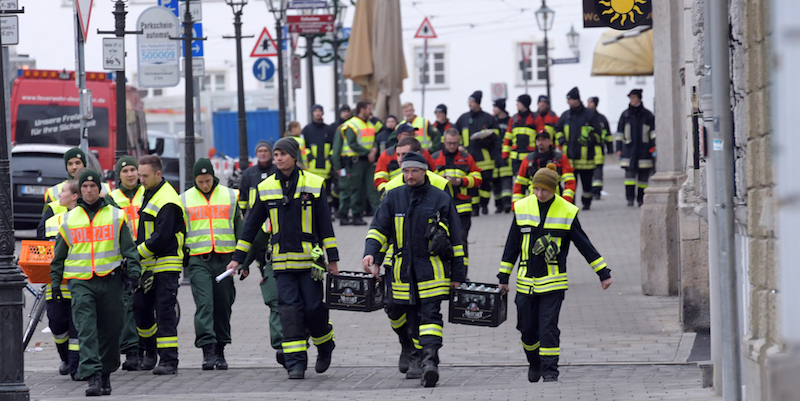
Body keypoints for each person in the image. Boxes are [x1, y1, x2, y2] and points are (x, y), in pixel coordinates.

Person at [226, 137, 339, 380]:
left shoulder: (315, 183)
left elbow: (325, 224)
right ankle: (296, 362)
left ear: (294, 156)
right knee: (289, 311)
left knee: (313, 308)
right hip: (281, 264)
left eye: (282, 154)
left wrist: (333, 259)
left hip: (310, 263)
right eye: (275, 154)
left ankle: (325, 344)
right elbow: (251, 227)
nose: (278, 158)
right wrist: (238, 258)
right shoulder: (266, 188)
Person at [498, 164, 612, 383]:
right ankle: (534, 361)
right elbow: (512, 245)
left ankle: (550, 371)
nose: (540, 194)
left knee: (548, 327)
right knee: (526, 329)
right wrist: (503, 277)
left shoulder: (567, 211)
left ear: (554, 189)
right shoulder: (522, 207)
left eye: (544, 190)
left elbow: (584, 244)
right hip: (525, 282)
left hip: (553, 283)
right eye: (536, 189)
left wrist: (603, 272)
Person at [362, 151, 466, 388]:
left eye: (414, 171)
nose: (409, 175)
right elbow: (379, 229)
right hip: (402, 273)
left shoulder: (440, 198)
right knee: (404, 316)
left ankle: (430, 363)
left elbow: (458, 241)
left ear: (424, 171)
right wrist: (371, 253)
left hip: (432, 272)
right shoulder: (393, 197)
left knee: (429, 316)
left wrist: (458, 276)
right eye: (405, 171)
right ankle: (414, 353)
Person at [50, 169, 141, 396]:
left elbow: (129, 249)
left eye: (92, 186)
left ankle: (106, 372)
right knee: (86, 329)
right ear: (79, 191)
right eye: (84, 187)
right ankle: (92, 375)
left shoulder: (116, 216)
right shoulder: (69, 219)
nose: (89, 191)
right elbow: (59, 256)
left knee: (111, 331)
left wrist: (134, 273)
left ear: (99, 189)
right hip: (81, 284)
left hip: (110, 281)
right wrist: (55, 284)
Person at [181, 159, 241, 371]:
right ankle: (207, 349)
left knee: (223, 305)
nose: (204, 185)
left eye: (207, 181)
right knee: (205, 304)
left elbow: (239, 227)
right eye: (200, 181)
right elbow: (180, 232)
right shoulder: (185, 199)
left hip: (225, 261)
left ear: (213, 177)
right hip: (199, 260)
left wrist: (242, 259)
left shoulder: (230, 195)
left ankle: (221, 350)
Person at [133, 155, 186, 375]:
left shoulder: (168, 200)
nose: (141, 180)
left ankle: (169, 360)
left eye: (145, 176)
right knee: (140, 309)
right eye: (140, 176)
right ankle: (150, 351)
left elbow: (160, 238)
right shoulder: (149, 192)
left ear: (158, 174)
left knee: (164, 312)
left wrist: (134, 254)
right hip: (148, 265)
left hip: (166, 264)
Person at [234, 140, 284, 365]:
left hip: (285, 243)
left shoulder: (278, 173)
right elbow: (243, 200)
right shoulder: (249, 174)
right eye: (261, 151)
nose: (263, 154)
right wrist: (242, 263)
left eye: (267, 151)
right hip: (259, 227)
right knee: (274, 297)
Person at [107, 156, 146, 371]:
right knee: (128, 305)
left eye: (133, 170)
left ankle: (148, 348)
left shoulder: (147, 193)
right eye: (125, 171)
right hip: (125, 258)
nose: (130, 174)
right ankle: (132, 351)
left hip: (149, 256)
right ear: (119, 175)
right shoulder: (113, 198)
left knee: (146, 306)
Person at [39, 179, 80, 378]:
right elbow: (42, 249)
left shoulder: (82, 219)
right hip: (55, 283)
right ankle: (65, 358)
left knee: (77, 328)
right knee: (56, 324)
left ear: (74, 196)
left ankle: (75, 366)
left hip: (78, 281)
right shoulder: (50, 222)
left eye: (62, 192)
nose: (58, 195)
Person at [430, 128, 482, 277]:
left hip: (462, 209)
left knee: (461, 242)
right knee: (441, 241)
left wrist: (461, 181)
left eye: (454, 143)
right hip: (441, 210)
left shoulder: (466, 157)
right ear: (444, 142)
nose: (452, 146)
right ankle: (445, 273)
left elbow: (478, 177)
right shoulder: (435, 158)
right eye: (449, 143)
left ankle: (462, 275)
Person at [554, 87, 603, 210]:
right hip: (569, 158)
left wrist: (590, 138)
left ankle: (587, 202)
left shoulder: (590, 115)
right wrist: (562, 141)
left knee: (587, 184)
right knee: (570, 184)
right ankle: (571, 204)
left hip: (586, 158)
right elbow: (557, 130)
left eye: (569, 100)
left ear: (576, 100)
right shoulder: (566, 116)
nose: (568, 102)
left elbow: (599, 133)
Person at [332, 99, 379, 226]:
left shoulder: (370, 124)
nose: (371, 111)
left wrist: (374, 149)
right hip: (354, 162)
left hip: (366, 162)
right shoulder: (351, 125)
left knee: (367, 188)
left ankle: (363, 214)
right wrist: (368, 152)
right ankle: (351, 215)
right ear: (362, 110)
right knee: (353, 189)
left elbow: (373, 140)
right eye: (369, 109)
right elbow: (352, 144)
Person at [454, 91, 501, 216]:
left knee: (486, 183)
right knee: (472, 184)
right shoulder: (463, 118)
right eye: (469, 102)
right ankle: (474, 207)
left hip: (485, 157)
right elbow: (454, 133)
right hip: (468, 157)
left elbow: (497, 137)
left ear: (478, 103)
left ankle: (484, 204)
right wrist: (459, 146)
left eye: (472, 102)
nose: (470, 104)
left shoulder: (488, 118)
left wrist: (487, 138)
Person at [504, 95, 558, 184]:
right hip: (516, 159)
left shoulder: (535, 118)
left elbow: (542, 136)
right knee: (520, 182)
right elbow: (508, 137)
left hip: (531, 157)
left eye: (519, 102)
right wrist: (505, 155)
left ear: (524, 104)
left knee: (533, 182)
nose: (516, 104)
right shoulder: (514, 119)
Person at [615, 88, 656, 207]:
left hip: (644, 151)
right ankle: (630, 198)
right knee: (629, 177)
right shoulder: (625, 115)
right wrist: (618, 148)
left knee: (643, 179)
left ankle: (641, 199)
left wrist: (654, 146)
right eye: (630, 98)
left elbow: (653, 132)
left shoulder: (647, 115)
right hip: (629, 150)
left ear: (639, 98)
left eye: (633, 97)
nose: (632, 100)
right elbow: (619, 134)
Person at [512, 132, 576, 205]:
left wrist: (566, 201)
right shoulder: (528, 159)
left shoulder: (560, 158)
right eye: (538, 140)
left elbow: (570, 181)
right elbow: (520, 184)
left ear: (550, 141)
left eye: (543, 140)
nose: (540, 142)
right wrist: (516, 205)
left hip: (556, 201)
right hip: (533, 202)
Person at [373, 123, 436, 193]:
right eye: (408, 135)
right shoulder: (387, 154)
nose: (412, 137)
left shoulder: (424, 152)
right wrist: (386, 192)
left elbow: (434, 174)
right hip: (395, 195)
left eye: (413, 134)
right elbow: (379, 178)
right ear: (399, 136)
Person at [44, 147, 110, 204]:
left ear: (84, 164)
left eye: (77, 163)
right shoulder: (54, 191)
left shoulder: (104, 188)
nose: (74, 167)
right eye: (70, 164)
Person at [326, 105, 352, 216]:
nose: (346, 113)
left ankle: (343, 210)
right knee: (338, 187)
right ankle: (338, 209)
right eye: (344, 111)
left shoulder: (352, 125)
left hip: (349, 161)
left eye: (347, 111)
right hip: (338, 161)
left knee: (347, 187)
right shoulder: (334, 127)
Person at [587, 97, 614, 200]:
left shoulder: (601, 119)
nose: (588, 104)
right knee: (588, 171)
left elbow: (608, 134)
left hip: (598, 149)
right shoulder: (585, 116)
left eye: (590, 102)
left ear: (595, 104)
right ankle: (590, 190)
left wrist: (610, 148)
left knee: (598, 171)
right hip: (587, 149)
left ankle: (597, 192)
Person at [492, 98, 513, 213]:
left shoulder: (510, 121)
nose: (493, 109)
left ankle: (506, 203)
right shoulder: (492, 121)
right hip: (494, 155)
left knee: (506, 180)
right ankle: (498, 205)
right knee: (495, 181)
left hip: (506, 155)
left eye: (495, 107)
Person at [303, 104, 332, 181]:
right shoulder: (307, 130)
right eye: (315, 111)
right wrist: (309, 156)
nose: (318, 113)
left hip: (326, 168)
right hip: (311, 168)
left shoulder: (329, 129)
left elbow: (333, 146)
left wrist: (330, 158)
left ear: (323, 113)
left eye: (320, 111)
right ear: (312, 113)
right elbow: (304, 146)